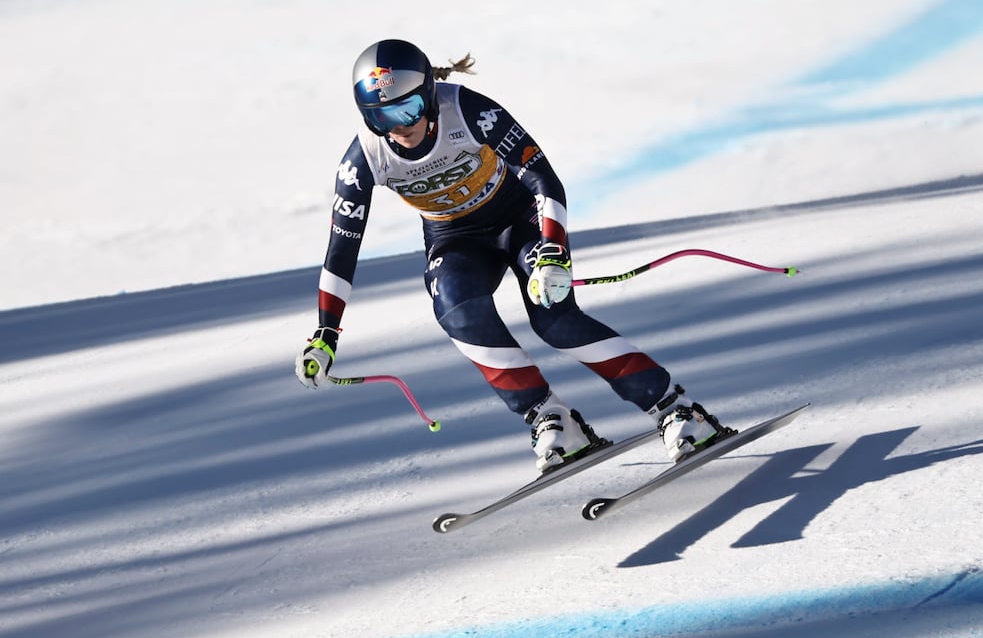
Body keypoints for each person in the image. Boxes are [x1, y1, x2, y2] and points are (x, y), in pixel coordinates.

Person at [294, 39, 725, 471]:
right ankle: (549, 416)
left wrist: (553, 251)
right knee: (457, 311)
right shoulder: (364, 158)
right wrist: (326, 333)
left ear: (428, 94)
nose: (396, 129)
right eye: (378, 117)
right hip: (455, 238)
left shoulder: (467, 110)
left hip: (520, 218)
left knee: (553, 315)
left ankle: (675, 407)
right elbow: (342, 250)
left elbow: (544, 181)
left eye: (405, 111)